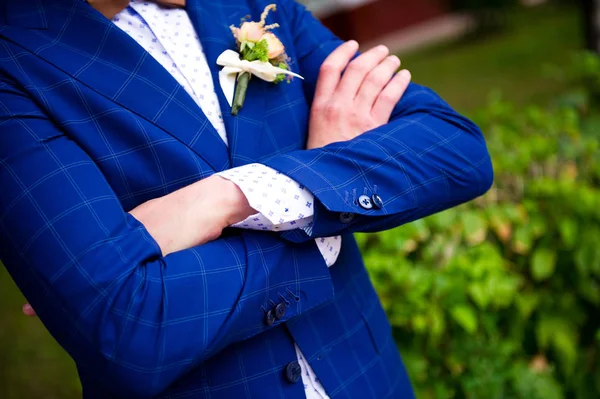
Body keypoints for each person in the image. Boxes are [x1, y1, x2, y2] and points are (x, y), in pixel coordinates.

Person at [0, 0, 493, 398]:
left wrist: (226, 197)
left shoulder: (254, 6)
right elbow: (126, 330)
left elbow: (454, 148)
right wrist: (319, 210)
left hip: (365, 377)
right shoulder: (14, 60)